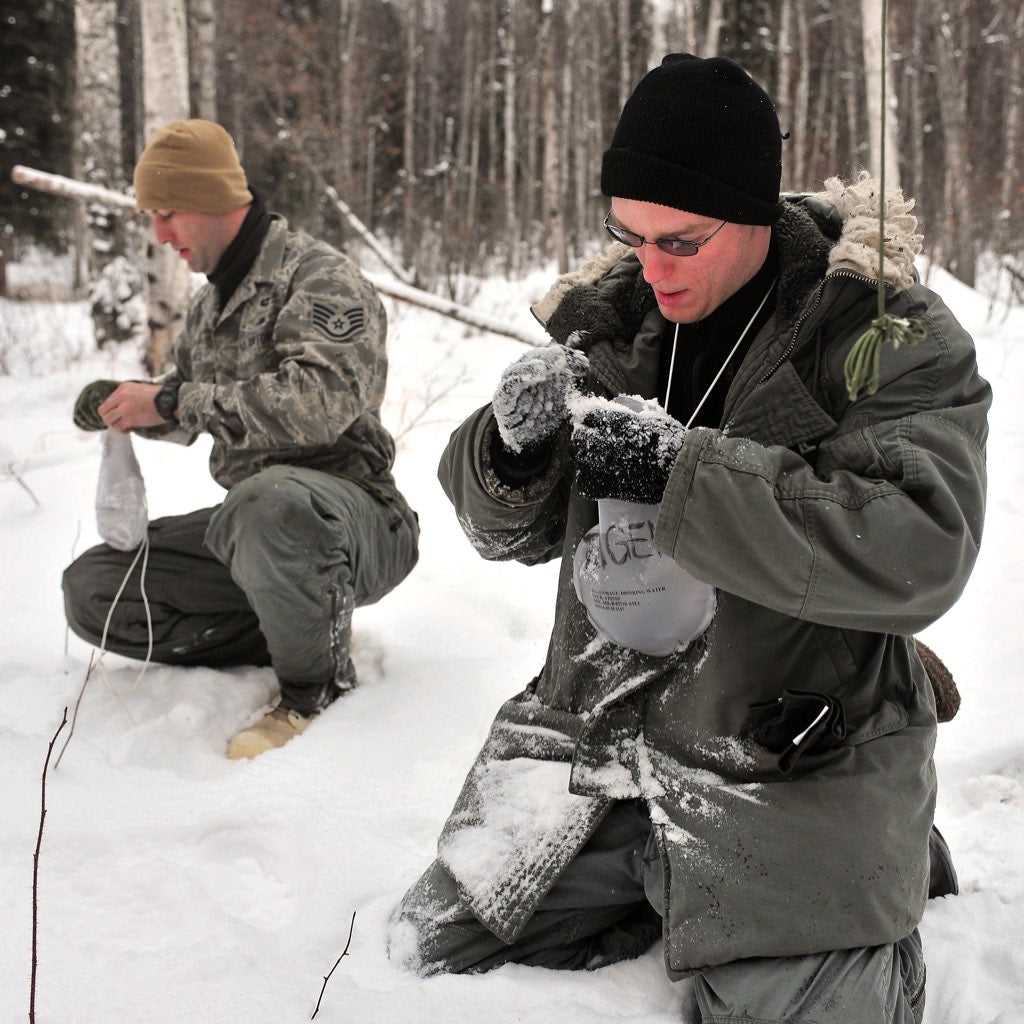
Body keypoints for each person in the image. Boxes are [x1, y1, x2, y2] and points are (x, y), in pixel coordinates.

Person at [387, 54, 990, 1022]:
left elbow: (918, 546)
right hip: (600, 729)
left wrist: (684, 477)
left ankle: (874, 855)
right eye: (627, 236)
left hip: (782, 748)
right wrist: (510, 447)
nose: (650, 266)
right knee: (428, 948)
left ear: (751, 213)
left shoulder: (881, 332)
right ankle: (681, 873)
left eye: (681, 240)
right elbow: (505, 534)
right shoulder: (614, 321)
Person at [64, 119, 420, 759]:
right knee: (92, 588)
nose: (159, 234)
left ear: (211, 201)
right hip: (256, 528)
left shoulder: (319, 279)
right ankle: (299, 623)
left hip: (357, 519)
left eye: (168, 213)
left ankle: (313, 689)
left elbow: (319, 404)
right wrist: (129, 405)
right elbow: (193, 401)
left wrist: (173, 399)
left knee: (268, 502)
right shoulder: (209, 308)